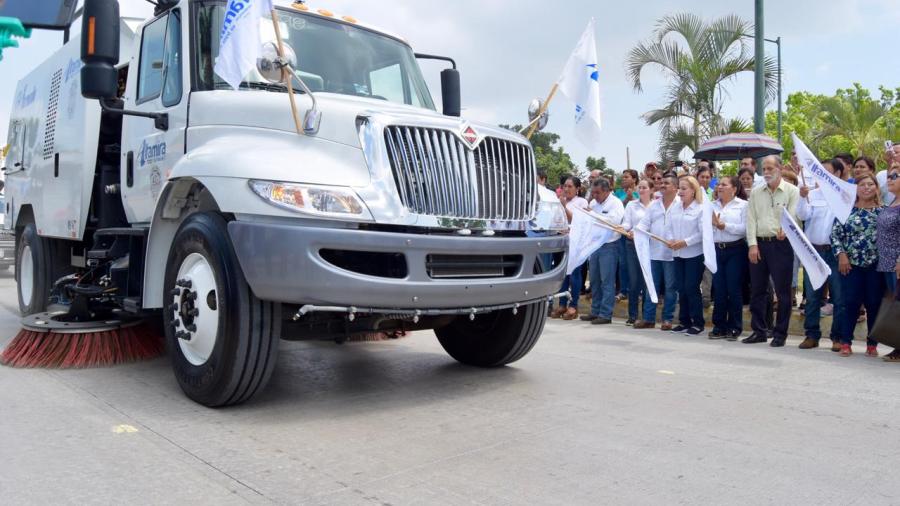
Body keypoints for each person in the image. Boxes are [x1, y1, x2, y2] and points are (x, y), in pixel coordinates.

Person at [743, 155, 800, 347]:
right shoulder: (756, 192)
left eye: (770, 168)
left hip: (781, 245)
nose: (766, 172)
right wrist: (752, 244)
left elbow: (792, 215)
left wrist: (787, 229)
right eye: (764, 169)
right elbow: (750, 219)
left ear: (780, 168)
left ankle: (780, 333)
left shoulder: (792, 191)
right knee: (758, 290)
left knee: (783, 292)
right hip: (759, 244)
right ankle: (759, 330)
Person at [832, 174, 884, 357]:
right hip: (851, 265)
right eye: (863, 184)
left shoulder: (883, 212)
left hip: (876, 266)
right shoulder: (846, 211)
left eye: (871, 184)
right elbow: (835, 235)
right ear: (856, 189)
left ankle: (872, 344)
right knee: (850, 303)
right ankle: (846, 342)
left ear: (877, 188)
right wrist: (842, 255)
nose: (867, 187)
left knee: (874, 304)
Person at [796, 166, 844, 352]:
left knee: (839, 298)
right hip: (814, 253)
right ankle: (811, 335)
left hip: (834, 253)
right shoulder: (812, 194)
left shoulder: (843, 196)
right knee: (813, 296)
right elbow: (802, 215)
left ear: (837, 174)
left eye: (828, 171)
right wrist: (802, 197)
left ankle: (837, 337)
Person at [637, 172, 680, 331]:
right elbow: (643, 225)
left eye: (666, 183)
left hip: (672, 254)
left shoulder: (681, 204)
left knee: (670, 288)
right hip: (653, 253)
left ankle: (667, 319)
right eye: (661, 183)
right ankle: (648, 318)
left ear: (675, 187)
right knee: (651, 286)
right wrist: (635, 231)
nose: (662, 185)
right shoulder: (654, 205)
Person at [580, 178, 625, 324]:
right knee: (594, 280)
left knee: (607, 280)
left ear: (606, 191)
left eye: (598, 193)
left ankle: (606, 314)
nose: (595, 196)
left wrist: (593, 214)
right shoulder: (593, 203)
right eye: (593, 192)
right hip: (594, 245)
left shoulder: (616, 203)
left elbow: (613, 222)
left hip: (609, 246)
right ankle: (595, 311)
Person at [709, 176, 749, 340]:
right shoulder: (711, 206)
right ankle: (719, 325)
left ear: (734, 188)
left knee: (733, 289)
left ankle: (735, 326)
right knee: (719, 289)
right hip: (716, 250)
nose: (719, 187)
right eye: (719, 184)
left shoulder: (743, 205)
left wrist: (724, 226)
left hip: (735, 250)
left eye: (724, 185)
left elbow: (745, 229)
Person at [667, 176, 707, 335]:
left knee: (691, 288)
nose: (681, 192)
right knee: (681, 289)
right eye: (680, 188)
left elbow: (702, 233)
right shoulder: (675, 207)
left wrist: (685, 242)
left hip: (694, 254)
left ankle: (698, 322)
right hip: (677, 254)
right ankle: (684, 321)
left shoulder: (700, 208)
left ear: (693, 190)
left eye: (684, 189)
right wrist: (671, 240)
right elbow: (669, 227)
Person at [551, 175, 588, 320]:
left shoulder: (582, 202)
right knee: (563, 274)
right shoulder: (558, 201)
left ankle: (573, 306)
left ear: (577, 189)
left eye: (570, 186)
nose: (566, 189)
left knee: (575, 274)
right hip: (562, 240)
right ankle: (562, 303)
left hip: (576, 243)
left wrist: (564, 206)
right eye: (564, 186)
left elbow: (577, 220)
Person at [622, 179, 655, 328]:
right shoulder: (631, 205)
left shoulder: (656, 206)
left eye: (644, 187)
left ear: (651, 189)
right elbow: (626, 223)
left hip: (650, 246)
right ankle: (633, 315)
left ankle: (646, 316)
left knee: (647, 281)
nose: (641, 190)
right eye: (639, 187)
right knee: (634, 281)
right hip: (632, 245)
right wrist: (627, 231)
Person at [877, 162, 900, 361]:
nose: (890, 179)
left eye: (895, 176)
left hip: (897, 262)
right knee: (895, 304)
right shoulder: (892, 202)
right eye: (889, 176)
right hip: (886, 261)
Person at [614, 169, 639, 302]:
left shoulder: (640, 191)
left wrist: (632, 198)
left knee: (636, 265)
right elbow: (618, 210)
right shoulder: (618, 193)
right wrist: (626, 200)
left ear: (634, 179)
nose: (623, 179)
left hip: (636, 234)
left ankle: (636, 290)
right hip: (623, 233)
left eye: (627, 177)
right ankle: (623, 290)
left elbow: (642, 208)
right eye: (623, 177)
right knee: (623, 263)